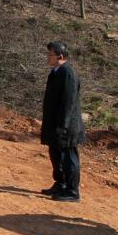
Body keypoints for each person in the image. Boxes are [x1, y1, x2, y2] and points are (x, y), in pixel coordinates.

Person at [41, 41, 85, 202]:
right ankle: (60, 183)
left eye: (50, 55)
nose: (48, 57)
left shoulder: (68, 73)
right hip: (55, 124)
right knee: (56, 155)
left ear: (60, 56)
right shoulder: (56, 72)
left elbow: (69, 102)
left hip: (66, 126)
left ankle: (72, 190)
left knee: (69, 158)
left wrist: (63, 125)